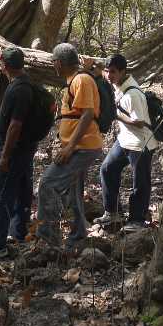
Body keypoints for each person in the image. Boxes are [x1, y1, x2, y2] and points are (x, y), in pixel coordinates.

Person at [35, 42, 104, 250]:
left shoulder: (81, 80)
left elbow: (87, 114)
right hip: (79, 146)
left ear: (58, 63)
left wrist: (69, 147)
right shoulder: (75, 80)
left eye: (54, 63)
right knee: (73, 191)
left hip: (83, 147)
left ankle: (49, 241)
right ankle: (78, 237)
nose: (53, 67)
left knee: (48, 184)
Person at [0, 47, 40, 258]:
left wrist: (5, 156)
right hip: (25, 149)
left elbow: (15, 125)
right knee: (22, 190)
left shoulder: (19, 90)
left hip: (14, 151)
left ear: (4, 65)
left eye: (1, 62)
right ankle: (19, 232)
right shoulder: (27, 83)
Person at [98, 53, 156, 231]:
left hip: (141, 143)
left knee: (140, 182)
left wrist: (115, 115)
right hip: (124, 141)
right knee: (107, 169)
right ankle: (113, 212)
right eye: (107, 71)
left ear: (123, 72)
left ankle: (137, 220)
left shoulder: (133, 95)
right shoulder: (118, 85)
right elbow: (101, 74)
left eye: (113, 72)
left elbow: (140, 122)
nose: (109, 75)